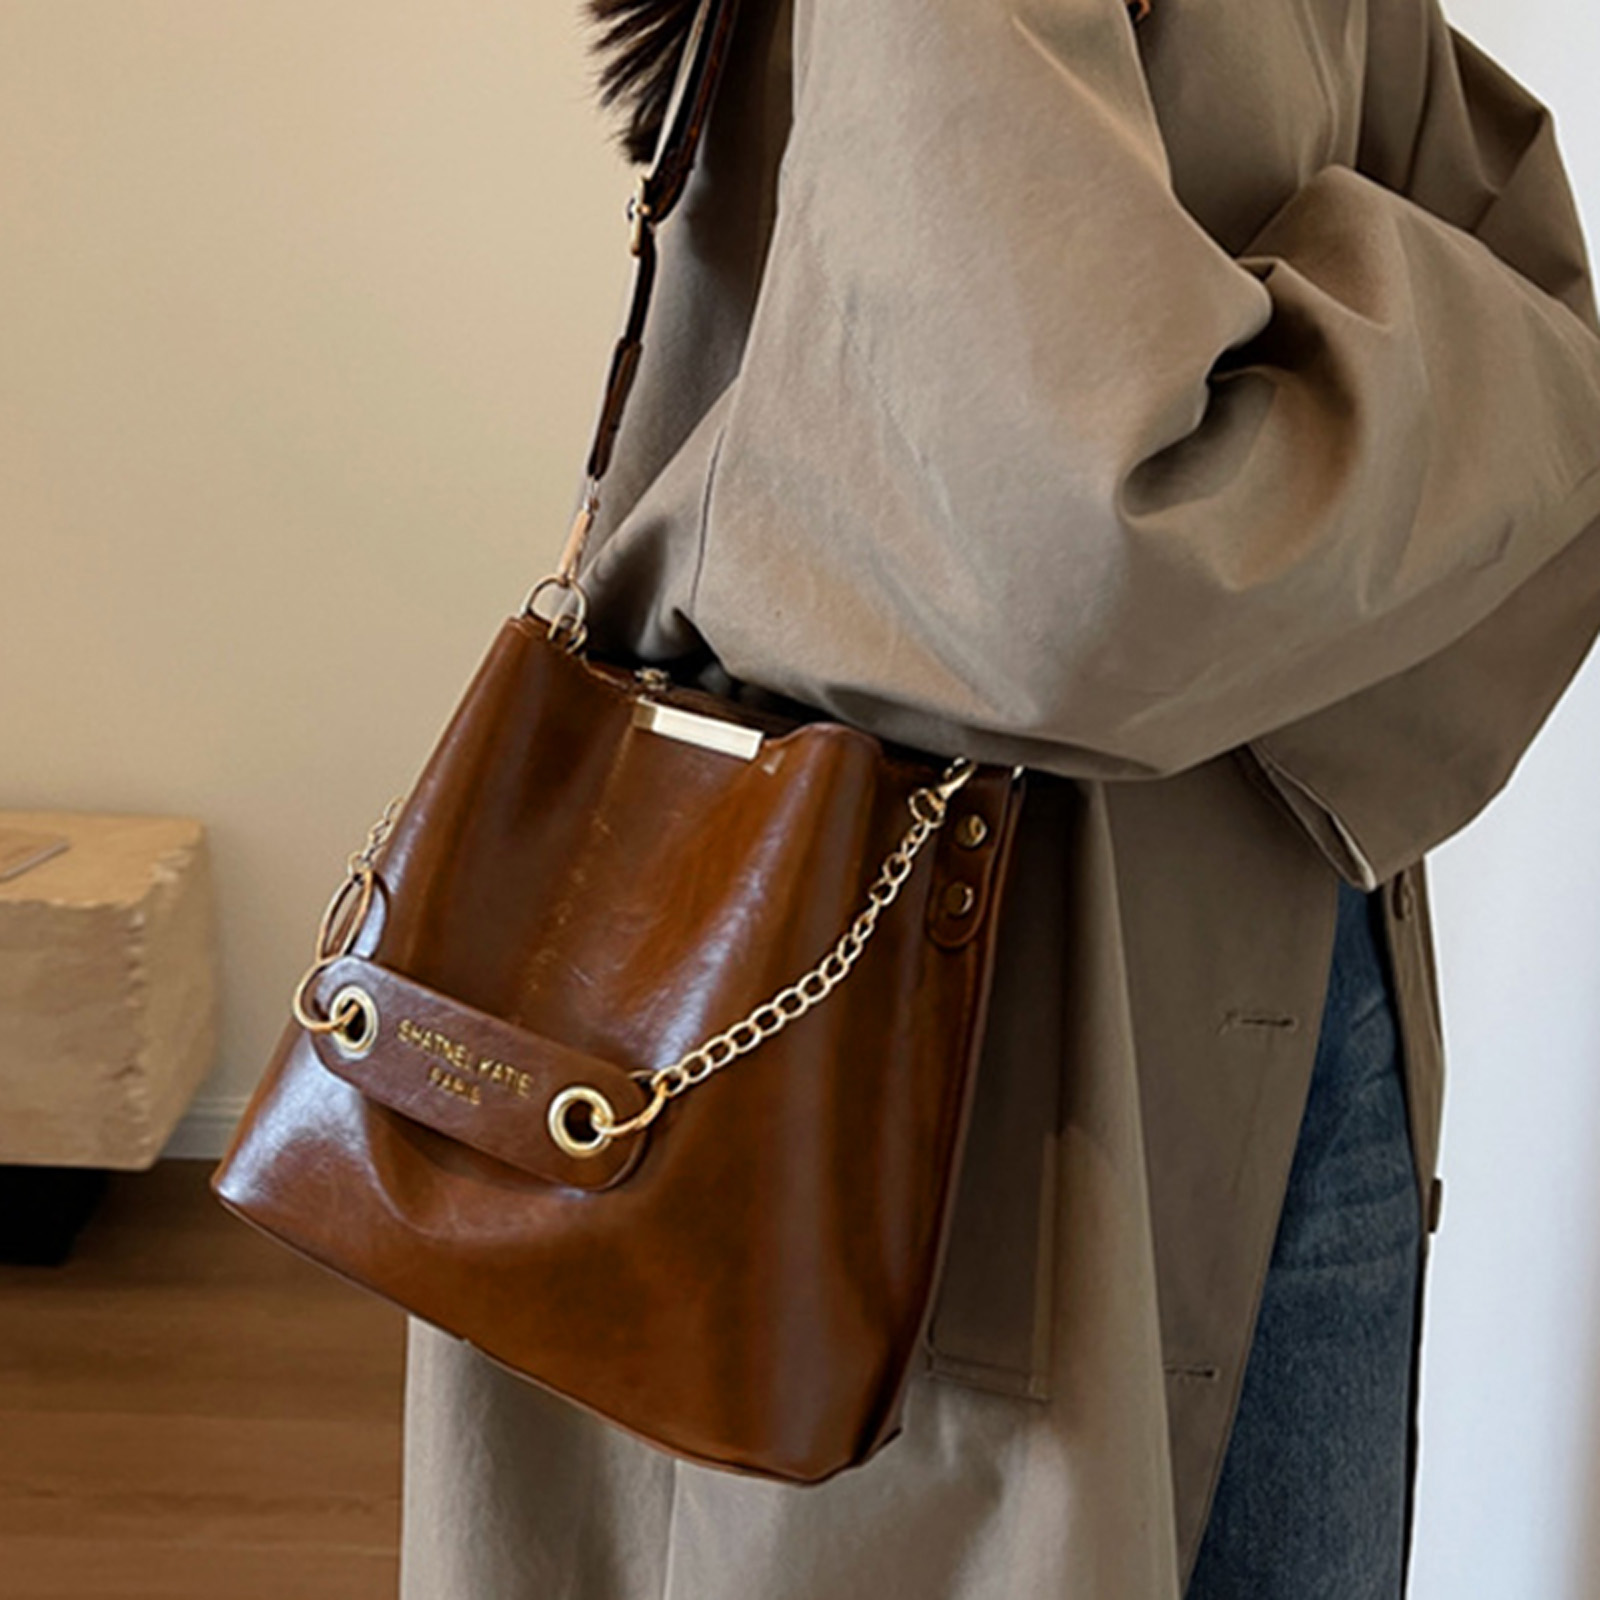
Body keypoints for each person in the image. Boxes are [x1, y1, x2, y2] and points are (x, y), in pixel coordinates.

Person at [401, 0, 1600, 1594]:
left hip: (1287, 951)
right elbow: (1073, 562)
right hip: (977, 991)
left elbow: (1511, 269)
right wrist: (1483, 360)